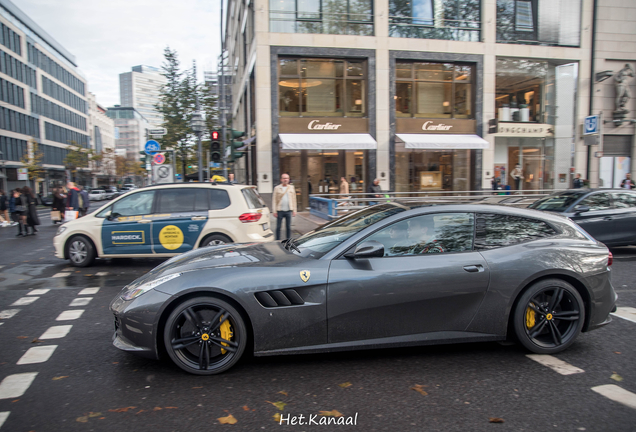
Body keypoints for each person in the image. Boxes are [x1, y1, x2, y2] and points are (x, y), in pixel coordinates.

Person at [273, 173, 297, 240]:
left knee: (288, 227)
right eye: (284, 178)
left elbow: (294, 199)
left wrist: (294, 210)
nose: (285, 180)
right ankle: (277, 240)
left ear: (289, 179)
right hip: (280, 210)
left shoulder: (291, 188)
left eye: (287, 178)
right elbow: (274, 200)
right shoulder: (277, 188)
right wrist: (274, 211)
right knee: (278, 227)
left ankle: (288, 240)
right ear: (281, 179)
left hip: (289, 210)